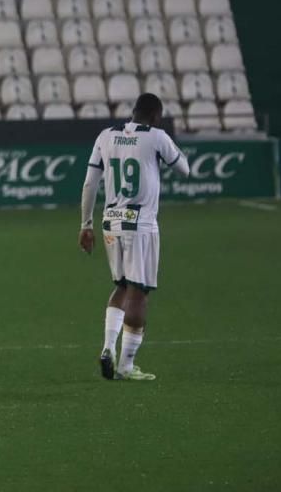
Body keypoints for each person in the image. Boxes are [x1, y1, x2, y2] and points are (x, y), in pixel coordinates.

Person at [79, 93, 191, 382]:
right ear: (155, 116)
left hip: (110, 223)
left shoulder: (106, 136)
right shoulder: (156, 136)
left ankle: (107, 348)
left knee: (122, 286)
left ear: (133, 112)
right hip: (140, 224)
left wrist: (85, 224)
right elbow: (184, 168)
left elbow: (90, 182)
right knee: (139, 292)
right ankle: (127, 365)